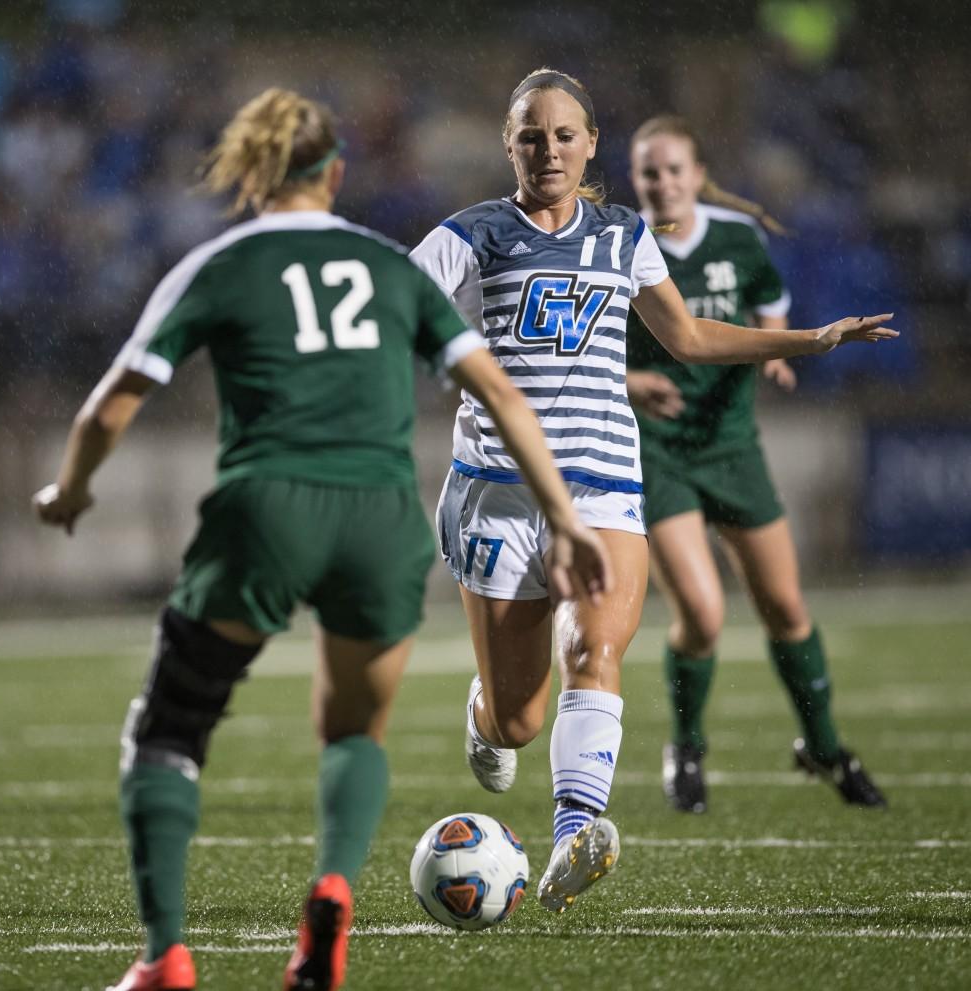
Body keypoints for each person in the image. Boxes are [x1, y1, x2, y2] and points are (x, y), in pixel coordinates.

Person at [32, 88, 613, 991]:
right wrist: (567, 517)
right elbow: (499, 390)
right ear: (336, 174)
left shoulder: (221, 264)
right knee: (354, 731)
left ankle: (164, 959)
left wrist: (70, 489)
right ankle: (329, 904)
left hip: (268, 509)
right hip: (380, 521)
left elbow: (114, 400)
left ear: (253, 174)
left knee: (170, 730)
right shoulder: (385, 264)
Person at [410, 68, 895, 913]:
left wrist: (809, 339)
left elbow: (688, 334)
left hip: (602, 483)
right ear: (509, 146)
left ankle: (575, 831)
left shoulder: (624, 235)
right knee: (518, 718)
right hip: (497, 491)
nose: (548, 150)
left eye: (565, 135)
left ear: (593, 143)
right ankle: (485, 714)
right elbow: (394, 308)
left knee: (594, 650)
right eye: (531, 136)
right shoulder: (470, 234)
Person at [625, 114, 887, 813]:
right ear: (634, 178)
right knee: (703, 613)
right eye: (648, 171)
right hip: (656, 450)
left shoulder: (739, 239)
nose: (661, 183)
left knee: (786, 608)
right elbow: (582, 348)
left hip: (733, 444)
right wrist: (627, 384)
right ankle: (686, 747)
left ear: (699, 174)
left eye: (674, 169)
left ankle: (826, 747)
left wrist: (774, 349)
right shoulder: (621, 246)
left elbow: (770, 307)